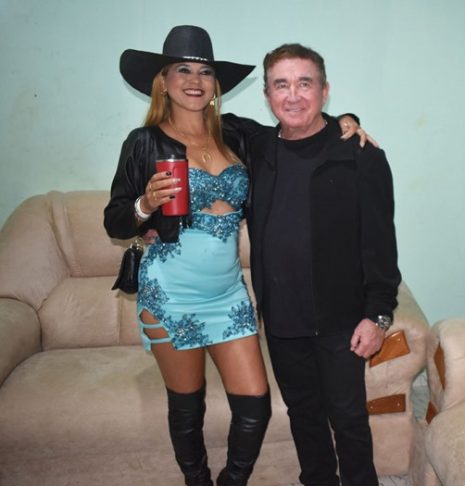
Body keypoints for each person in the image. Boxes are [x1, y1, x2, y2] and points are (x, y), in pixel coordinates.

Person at [103, 26, 368, 486]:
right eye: (183, 70)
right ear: (164, 81)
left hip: (228, 293)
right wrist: (145, 204)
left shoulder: (238, 134)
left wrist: (346, 118)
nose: (195, 80)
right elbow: (115, 220)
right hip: (171, 292)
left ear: (216, 84)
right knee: (187, 406)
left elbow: (299, 129)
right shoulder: (144, 142)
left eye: (205, 72)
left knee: (255, 405)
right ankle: (197, 481)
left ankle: (232, 480)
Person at [248, 43, 401, 486]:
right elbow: (195, 119)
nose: (293, 95)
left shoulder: (360, 155)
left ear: (325, 90)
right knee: (303, 415)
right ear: (267, 95)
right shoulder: (257, 149)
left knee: (348, 419)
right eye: (281, 85)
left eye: (305, 83)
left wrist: (378, 314)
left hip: (341, 318)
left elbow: (381, 243)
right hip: (281, 318)